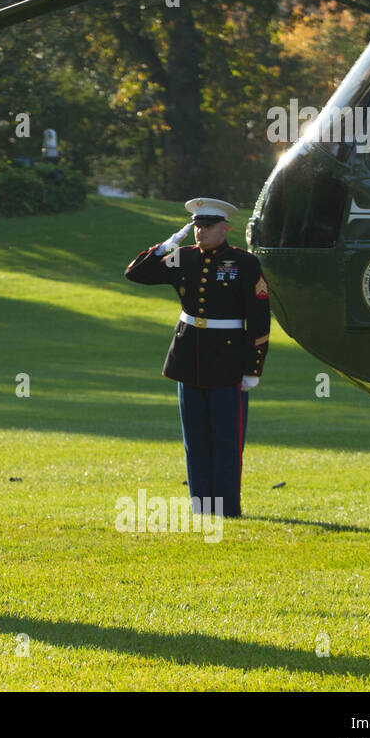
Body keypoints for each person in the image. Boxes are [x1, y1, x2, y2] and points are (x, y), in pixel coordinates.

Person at [124, 198, 270, 518]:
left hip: (228, 361)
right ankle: (201, 505)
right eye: (197, 227)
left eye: (208, 226)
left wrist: (252, 368)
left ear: (225, 228)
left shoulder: (244, 264)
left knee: (227, 441)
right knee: (196, 439)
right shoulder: (183, 258)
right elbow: (136, 274)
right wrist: (166, 246)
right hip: (189, 357)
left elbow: (259, 320)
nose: (200, 233)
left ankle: (228, 509)